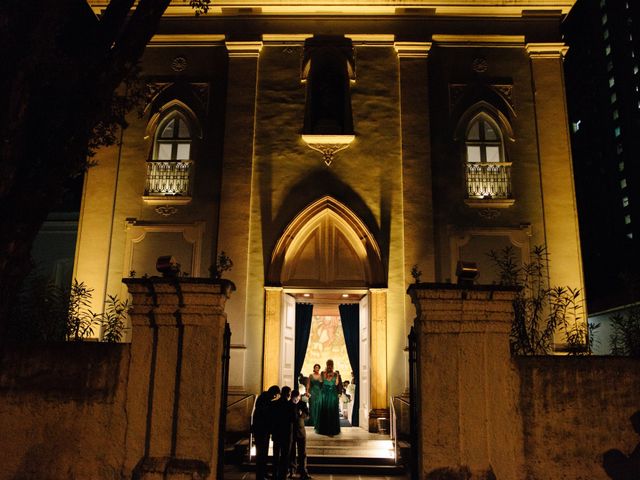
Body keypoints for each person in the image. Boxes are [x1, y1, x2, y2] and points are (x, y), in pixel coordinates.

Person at [252, 385, 280, 480]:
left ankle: (263, 473)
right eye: (275, 395)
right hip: (261, 430)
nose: (275, 397)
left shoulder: (264, 399)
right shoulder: (264, 400)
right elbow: (264, 413)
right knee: (261, 453)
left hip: (264, 430)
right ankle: (260, 475)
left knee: (264, 453)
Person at [272, 386, 296, 480]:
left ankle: (274, 474)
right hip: (286, 433)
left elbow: (272, 418)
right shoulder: (290, 405)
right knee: (285, 456)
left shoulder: (274, 404)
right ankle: (283, 475)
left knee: (276, 455)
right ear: (288, 394)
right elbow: (294, 419)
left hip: (277, 432)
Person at [314, 359, 341, 436]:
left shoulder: (324, 373)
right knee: (329, 410)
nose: (329, 367)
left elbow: (320, 382)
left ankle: (324, 429)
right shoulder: (335, 374)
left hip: (326, 394)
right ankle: (331, 429)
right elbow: (336, 384)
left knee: (326, 410)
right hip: (328, 394)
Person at [289, 390, 312, 480]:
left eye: (297, 398)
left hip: (301, 430)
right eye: (293, 398)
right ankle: (292, 471)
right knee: (292, 452)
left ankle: (303, 471)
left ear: (299, 397)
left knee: (302, 452)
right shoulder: (288, 404)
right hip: (291, 431)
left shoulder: (303, 403)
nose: (295, 400)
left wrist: (301, 415)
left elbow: (307, 414)